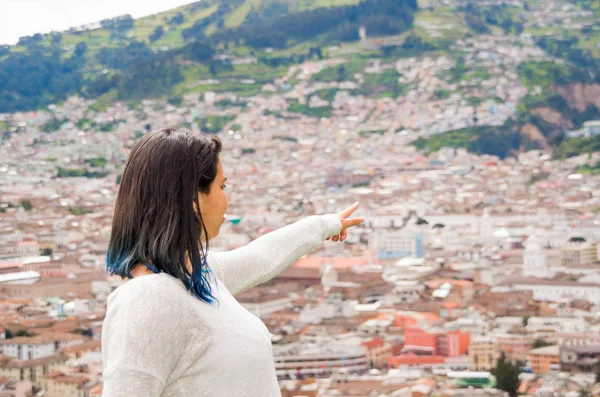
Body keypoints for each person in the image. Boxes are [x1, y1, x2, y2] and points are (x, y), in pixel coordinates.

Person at [101, 127, 364, 397]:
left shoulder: (197, 276)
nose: (227, 198)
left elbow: (261, 257)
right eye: (222, 186)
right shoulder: (148, 299)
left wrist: (325, 225)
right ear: (193, 198)